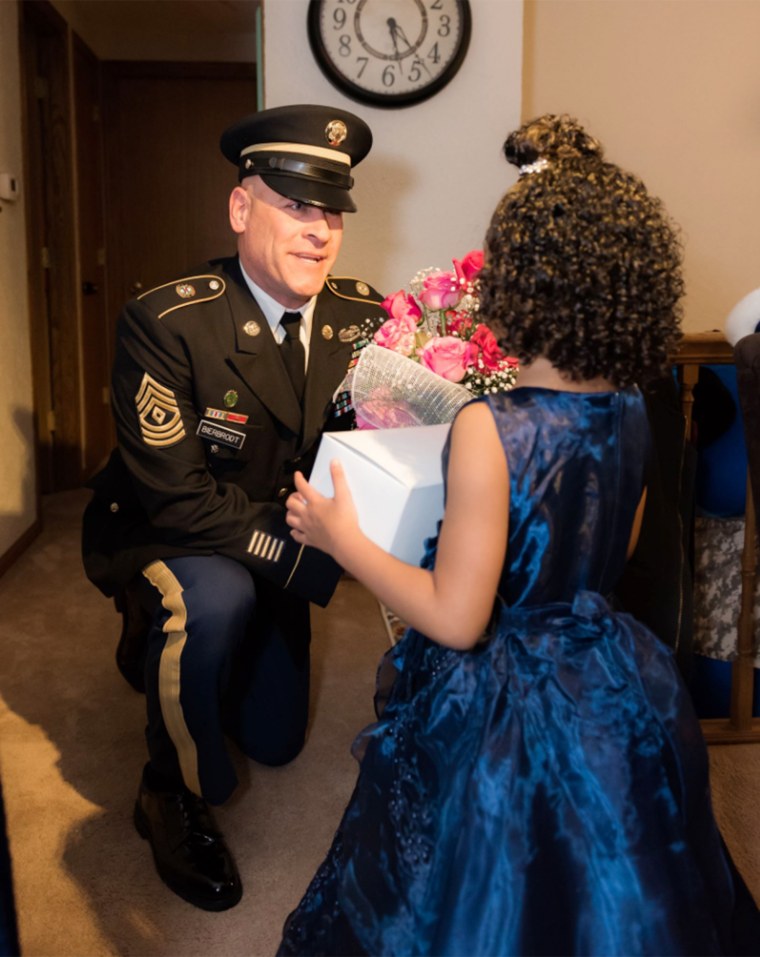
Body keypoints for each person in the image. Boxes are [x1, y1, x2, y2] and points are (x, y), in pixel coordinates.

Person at [277, 115, 760, 955]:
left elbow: (461, 617)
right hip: (611, 665)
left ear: (515, 286)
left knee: (472, 881)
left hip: (505, 692)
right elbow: (610, 541)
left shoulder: (489, 426)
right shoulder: (635, 410)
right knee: (616, 868)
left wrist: (339, 535)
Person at [80, 104, 389, 912]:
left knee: (277, 742)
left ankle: (183, 640)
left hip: (279, 531)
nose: (318, 229)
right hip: (173, 526)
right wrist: (309, 558)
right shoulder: (168, 321)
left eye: (332, 211)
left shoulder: (365, 319)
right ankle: (166, 792)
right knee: (217, 601)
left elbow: (372, 454)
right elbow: (179, 496)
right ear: (240, 208)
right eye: (294, 204)